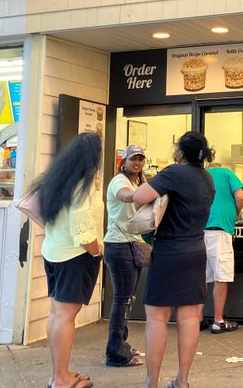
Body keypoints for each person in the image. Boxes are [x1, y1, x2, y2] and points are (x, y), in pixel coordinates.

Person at [133, 131, 215, 388]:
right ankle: (183, 380)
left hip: (169, 252)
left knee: (157, 318)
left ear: (179, 152)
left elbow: (139, 197)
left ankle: (151, 382)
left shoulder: (173, 173)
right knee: (190, 318)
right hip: (196, 251)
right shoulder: (207, 178)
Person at [38, 132, 103, 388]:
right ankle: (62, 379)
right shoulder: (82, 186)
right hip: (75, 257)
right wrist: (97, 250)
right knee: (66, 317)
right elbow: (82, 228)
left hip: (53, 252)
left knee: (56, 315)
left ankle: (58, 374)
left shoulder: (57, 181)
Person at [102, 145, 147, 368]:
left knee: (128, 299)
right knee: (121, 300)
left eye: (140, 159)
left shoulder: (138, 183)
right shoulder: (120, 182)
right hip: (118, 245)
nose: (137, 163)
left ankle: (122, 344)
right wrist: (149, 191)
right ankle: (115, 353)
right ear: (124, 162)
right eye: (133, 159)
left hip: (132, 245)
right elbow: (125, 197)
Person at [204, 162, 243, 334]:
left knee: (202, 277)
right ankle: (218, 321)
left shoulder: (201, 174)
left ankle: (196, 318)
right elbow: (241, 197)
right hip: (220, 230)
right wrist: (235, 213)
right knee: (221, 276)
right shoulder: (227, 173)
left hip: (199, 231)